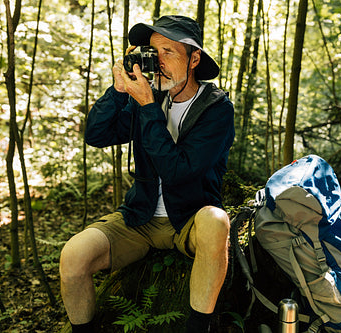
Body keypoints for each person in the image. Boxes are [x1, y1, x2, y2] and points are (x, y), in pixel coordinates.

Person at [59, 15, 235, 333]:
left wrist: (148, 106)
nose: (159, 61)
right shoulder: (149, 97)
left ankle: (199, 328)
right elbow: (97, 135)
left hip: (189, 219)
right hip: (139, 218)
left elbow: (178, 171)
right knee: (74, 255)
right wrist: (118, 91)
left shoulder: (216, 108)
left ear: (194, 58)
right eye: (154, 52)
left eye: (169, 51)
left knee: (217, 222)